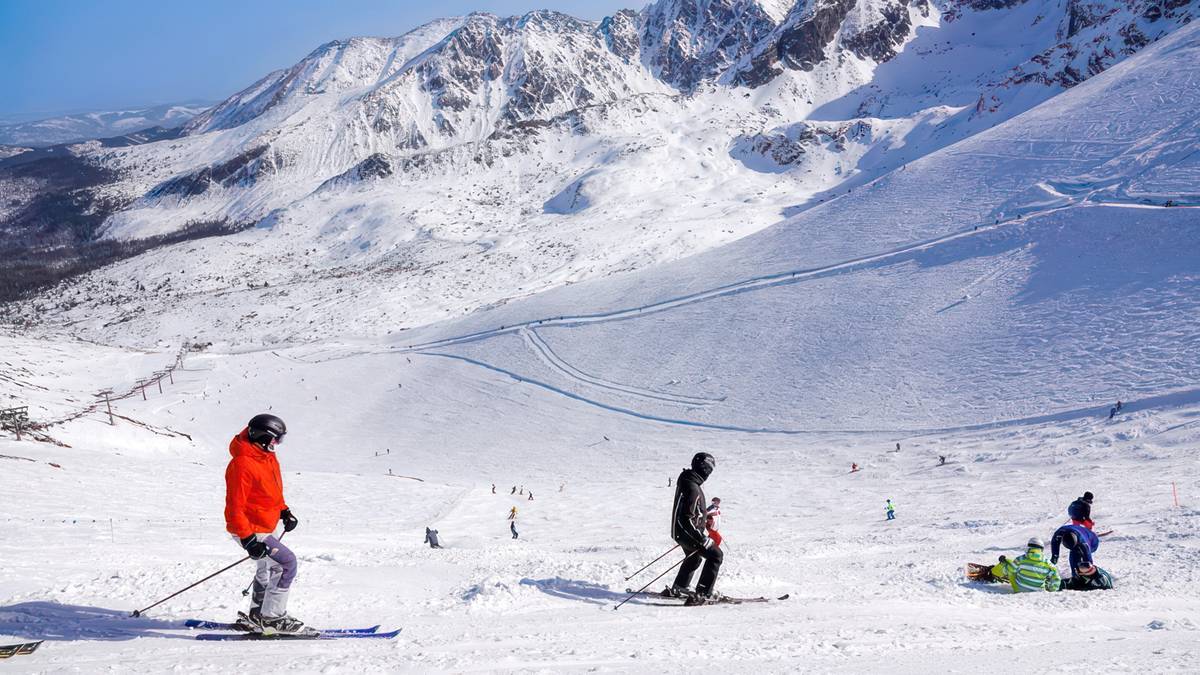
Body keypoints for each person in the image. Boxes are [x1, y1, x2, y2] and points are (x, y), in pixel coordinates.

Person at [225, 414, 314, 636]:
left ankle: (258, 615)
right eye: (276, 440)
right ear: (264, 437)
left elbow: (269, 492)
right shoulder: (242, 463)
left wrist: (284, 510)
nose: (277, 445)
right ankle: (273, 618)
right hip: (251, 528)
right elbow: (234, 508)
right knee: (286, 564)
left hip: (266, 524)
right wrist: (248, 539)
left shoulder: (266, 457)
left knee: (266, 569)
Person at [665, 452, 723, 605]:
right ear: (705, 469)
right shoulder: (692, 487)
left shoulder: (689, 482)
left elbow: (691, 513)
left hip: (681, 532)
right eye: (710, 469)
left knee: (694, 557)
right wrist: (701, 538)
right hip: (688, 533)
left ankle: (679, 587)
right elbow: (686, 517)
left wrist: (704, 521)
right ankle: (702, 593)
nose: (709, 473)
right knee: (716, 555)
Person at [994, 537, 1060, 593]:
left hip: (1020, 589)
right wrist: (1052, 590)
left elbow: (1010, 570)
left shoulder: (1021, 559)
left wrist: (1004, 565)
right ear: (1041, 549)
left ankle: (994, 573)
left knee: (1010, 565)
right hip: (1038, 591)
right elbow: (1056, 578)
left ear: (1029, 547)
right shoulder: (1048, 563)